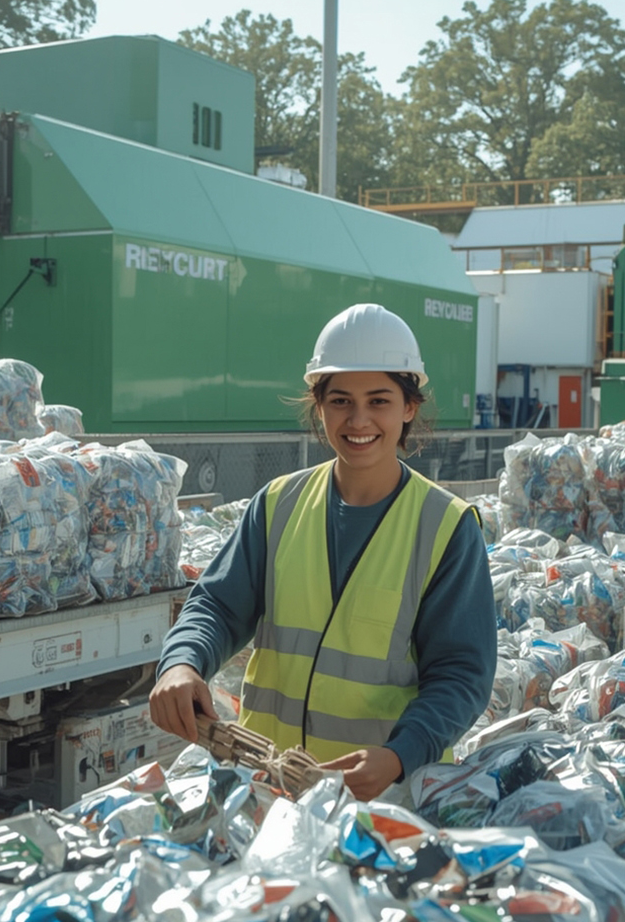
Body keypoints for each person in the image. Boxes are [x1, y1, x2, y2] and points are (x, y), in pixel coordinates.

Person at [149, 304, 496, 801]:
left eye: (379, 401)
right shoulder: (277, 504)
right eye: (340, 401)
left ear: (409, 407)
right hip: (268, 788)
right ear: (319, 406)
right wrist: (181, 663)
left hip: (382, 801)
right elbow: (217, 607)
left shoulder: (446, 527)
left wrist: (401, 754)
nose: (358, 420)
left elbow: (462, 672)